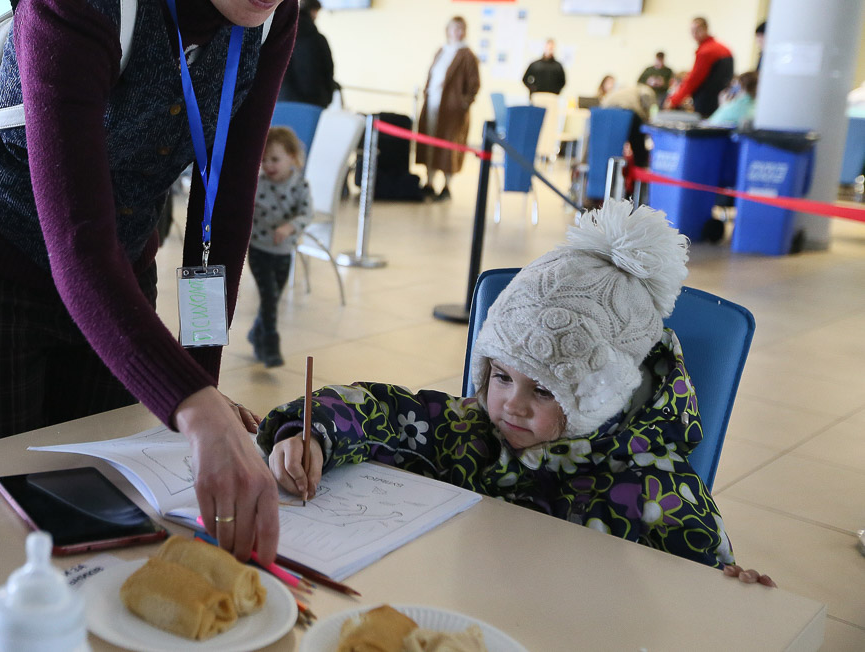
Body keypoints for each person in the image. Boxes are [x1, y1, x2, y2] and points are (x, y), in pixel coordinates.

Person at [0, 0, 359, 565]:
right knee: (7, 535)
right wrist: (194, 410)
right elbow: (77, 243)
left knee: (103, 523)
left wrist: (201, 387)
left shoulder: (273, 19)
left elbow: (220, 219)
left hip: (115, 277)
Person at [260, 201, 775, 586]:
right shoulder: (465, 428)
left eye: (544, 390)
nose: (511, 403)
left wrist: (735, 586)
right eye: (501, 376)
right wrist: (314, 434)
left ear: (601, 399)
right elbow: (376, 410)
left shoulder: (656, 489)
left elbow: (710, 588)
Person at [246, 126, 312, 367]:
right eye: (264, 160)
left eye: (275, 159)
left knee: (273, 298)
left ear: (292, 158)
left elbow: (307, 214)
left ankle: (256, 333)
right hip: (259, 249)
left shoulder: (300, 186)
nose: (268, 165)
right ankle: (270, 344)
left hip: (284, 251)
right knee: (269, 296)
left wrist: (289, 227)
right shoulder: (259, 184)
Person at [417, 15, 480, 201]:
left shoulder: (467, 55)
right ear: (448, 30)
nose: (457, 32)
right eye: (454, 28)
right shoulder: (441, 51)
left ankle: (446, 186)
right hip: (433, 105)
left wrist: (463, 103)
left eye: (461, 28)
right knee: (430, 142)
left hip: (453, 111)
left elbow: (474, 84)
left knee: (449, 148)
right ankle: (429, 182)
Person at [667, 17, 734, 119]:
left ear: (706, 28)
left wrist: (674, 100)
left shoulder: (706, 51)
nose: (694, 34)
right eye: (692, 31)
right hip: (720, 102)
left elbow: (693, 80)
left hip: (706, 104)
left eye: (698, 30)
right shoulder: (723, 48)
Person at [277, 0, 335, 107]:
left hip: (283, 99)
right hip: (314, 102)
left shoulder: (282, 34)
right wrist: (328, 97)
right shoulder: (317, 39)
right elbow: (328, 68)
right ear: (313, 11)